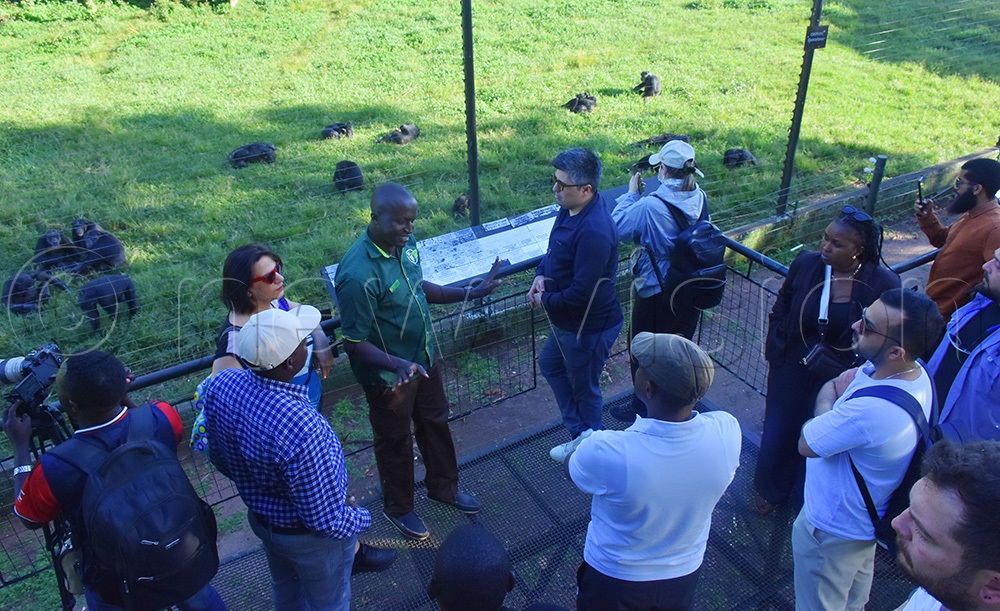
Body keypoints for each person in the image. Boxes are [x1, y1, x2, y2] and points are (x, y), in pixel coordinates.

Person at [334, 182, 502, 541]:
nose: (410, 229)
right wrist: (396, 364)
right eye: (401, 222)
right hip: (388, 378)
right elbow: (354, 343)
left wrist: (470, 292)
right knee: (394, 441)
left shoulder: (404, 247)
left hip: (423, 358)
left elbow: (419, 286)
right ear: (375, 217)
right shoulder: (356, 275)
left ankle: (444, 487)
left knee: (435, 422)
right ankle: (400, 508)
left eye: (413, 221)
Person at [204, 307, 395, 610]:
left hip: (264, 520)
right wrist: (359, 518)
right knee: (329, 602)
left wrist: (258, 486)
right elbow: (324, 520)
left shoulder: (222, 385)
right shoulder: (302, 427)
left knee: (287, 591)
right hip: (307, 539)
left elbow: (218, 455)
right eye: (301, 339)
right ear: (292, 362)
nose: (307, 341)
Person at [4, 351, 225, 611]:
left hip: (115, 575)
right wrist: (122, 397)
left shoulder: (55, 467)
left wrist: (20, 448)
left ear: (72, 406)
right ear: (122, 386)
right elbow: (148, 432)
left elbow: (29, 518)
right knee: (197, 597)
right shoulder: (163, 416)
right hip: (176, 548)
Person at [566, 332, 741, 611]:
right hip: (684, 573)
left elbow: (573, 468)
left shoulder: (608, 451)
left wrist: (577, 450)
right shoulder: (727, 430)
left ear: (649, 388)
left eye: (640, 366)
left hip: (614, 578)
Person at [793, 288, 944, 611]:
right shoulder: (918, 376)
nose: (856, 327)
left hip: (830, 530)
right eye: (864, 315)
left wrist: (829, 391)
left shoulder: (871, 413)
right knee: (852, 602)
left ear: (896, 352)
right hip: (863, 525)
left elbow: (808, 443)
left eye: (869, 327)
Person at [754, 206, 900, 514]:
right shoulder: (806, 263)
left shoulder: (883, 284)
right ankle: (771, 490)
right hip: (791, 366)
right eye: (825, 238)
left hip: (837, 378)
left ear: (858, 251)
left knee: (820, 436)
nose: (826, 247)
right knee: (779, 429)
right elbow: (782, 304)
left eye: (837, 244)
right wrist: (776, 350)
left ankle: (805, 499)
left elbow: (885, 333)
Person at [527, 148, 624, 463]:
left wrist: (545, 301)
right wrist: (541, 275)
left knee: (586, 389)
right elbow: (554, 251)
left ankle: (591, 451)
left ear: (586, 190)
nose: (554, 190)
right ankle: (581, 434)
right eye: (554, 181)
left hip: (588, 326)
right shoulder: (571, 207)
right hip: (567, 321)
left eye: (561, 185)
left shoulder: (594, 231)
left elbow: (584, 292)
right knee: (552, 365)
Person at [610, 139, 709, 424]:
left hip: (657, 289)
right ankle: (676, 406)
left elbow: (617, 229)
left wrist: (630, 195)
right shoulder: (699, 196)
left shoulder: (651, 205)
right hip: (691, 285)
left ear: (663, 169)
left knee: (644, 350)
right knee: (679, 349)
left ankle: (643, 410)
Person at [211, 243, 334, 409]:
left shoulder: (275, 302)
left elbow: (304, 312)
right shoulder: (233, 344)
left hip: (309, 400)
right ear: (246, 289)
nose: (280, 278)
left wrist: (321, 341)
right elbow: (223, 400)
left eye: (278, 269)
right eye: (270, 277)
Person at [891, 441, 1000, 611]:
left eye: (922, 532)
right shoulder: (945, 590)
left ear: (993, 587)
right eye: (911, 508)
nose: (897, 523)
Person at [924, 247, 1000, 442]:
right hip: (927, 431)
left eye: (998, 265)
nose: (986, 266)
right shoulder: (981, 301)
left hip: (966, 464)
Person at [916, 158, 1000, 317]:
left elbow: (996, 282)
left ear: (977, 189)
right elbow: (942, 240)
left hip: (950, 317)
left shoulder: (995, 229)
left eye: (959, 183)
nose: (956, 188)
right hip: (934, 307)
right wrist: (927, 216)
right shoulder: (971, 213)